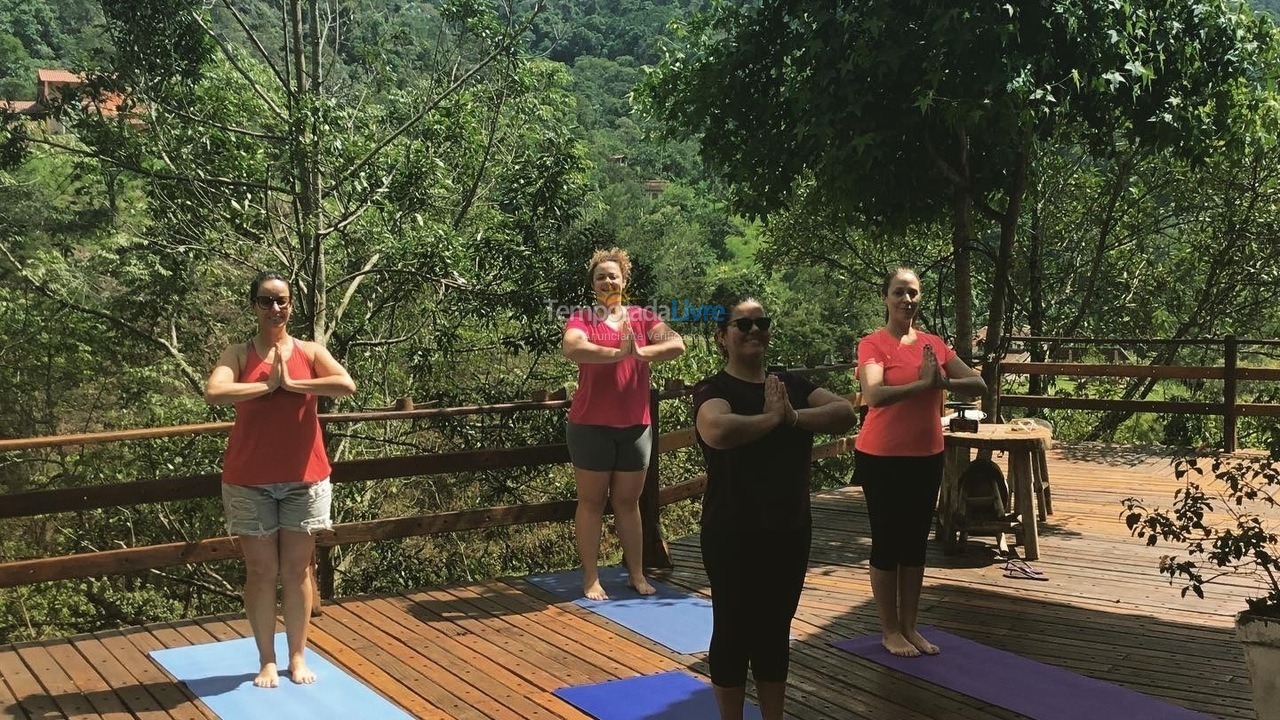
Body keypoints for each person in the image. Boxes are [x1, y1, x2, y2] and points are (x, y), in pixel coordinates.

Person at [693, 298, 856, 720]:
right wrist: (773, 419)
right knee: (732, 630)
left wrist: (793, 417)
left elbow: (844, 413)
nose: (753, 330)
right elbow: (717, 429)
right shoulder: (714, 389)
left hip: (788, 528)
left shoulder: (791, 386)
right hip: (731, 530)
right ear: (722, 336)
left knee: (773, 632)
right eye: (742, 324)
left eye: (761, 323)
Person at [204, 271, 356, 687]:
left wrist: (293, 383)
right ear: (253, 305)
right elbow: (214, 392)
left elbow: (345, 384)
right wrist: (265, 387)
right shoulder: (238, 353)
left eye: (282, 301)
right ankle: (266, 660)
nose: (275, 308)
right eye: (266, 301)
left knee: (297, 571)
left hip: (304, 479)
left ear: (291, 305)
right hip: (249, 480)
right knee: (259, 571)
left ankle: (297, 655)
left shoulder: (309, 350)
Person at [853, 266, 985, 657]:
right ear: (886, 298)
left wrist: (943, 382)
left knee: (915, 544)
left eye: (912, 293)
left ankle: (910, 627)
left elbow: (977, 384)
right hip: (881, 457)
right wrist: (923, 386)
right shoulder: (873, 344)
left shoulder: (934, 344)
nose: (906, 300)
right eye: (898, 293)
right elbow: (873, 395)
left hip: (927, 456)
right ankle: (889, 629)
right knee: (888, 542)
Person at [561, 248, 685, 600]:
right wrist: (617, 353)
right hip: (590, 425)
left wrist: (641, 352)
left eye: (613, 275)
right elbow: (572, 348)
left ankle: (636, 573)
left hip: (635, 425)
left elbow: (677, 344)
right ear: (593, 284)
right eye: (600, 276)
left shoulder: (643, 318)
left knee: (628, 504)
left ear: (624, 281)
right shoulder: (583, 318)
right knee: (591, 502)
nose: (607, 280)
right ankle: (591, 577)